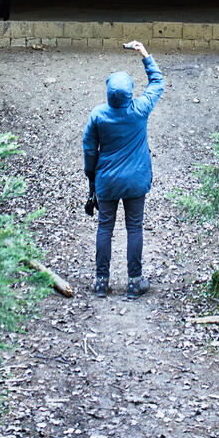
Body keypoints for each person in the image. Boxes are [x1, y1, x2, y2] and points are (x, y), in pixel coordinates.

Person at [82, 40, 164, 298]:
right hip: (135, 181)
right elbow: (158, 82)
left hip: (106, 180)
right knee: (134, 228)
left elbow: (88, 150)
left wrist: (91, 176)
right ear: (130, 93)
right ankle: (134, 282)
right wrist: (144, 54)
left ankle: (101, 282)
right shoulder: (140, 110)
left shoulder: (98, 115)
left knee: (105, 227)